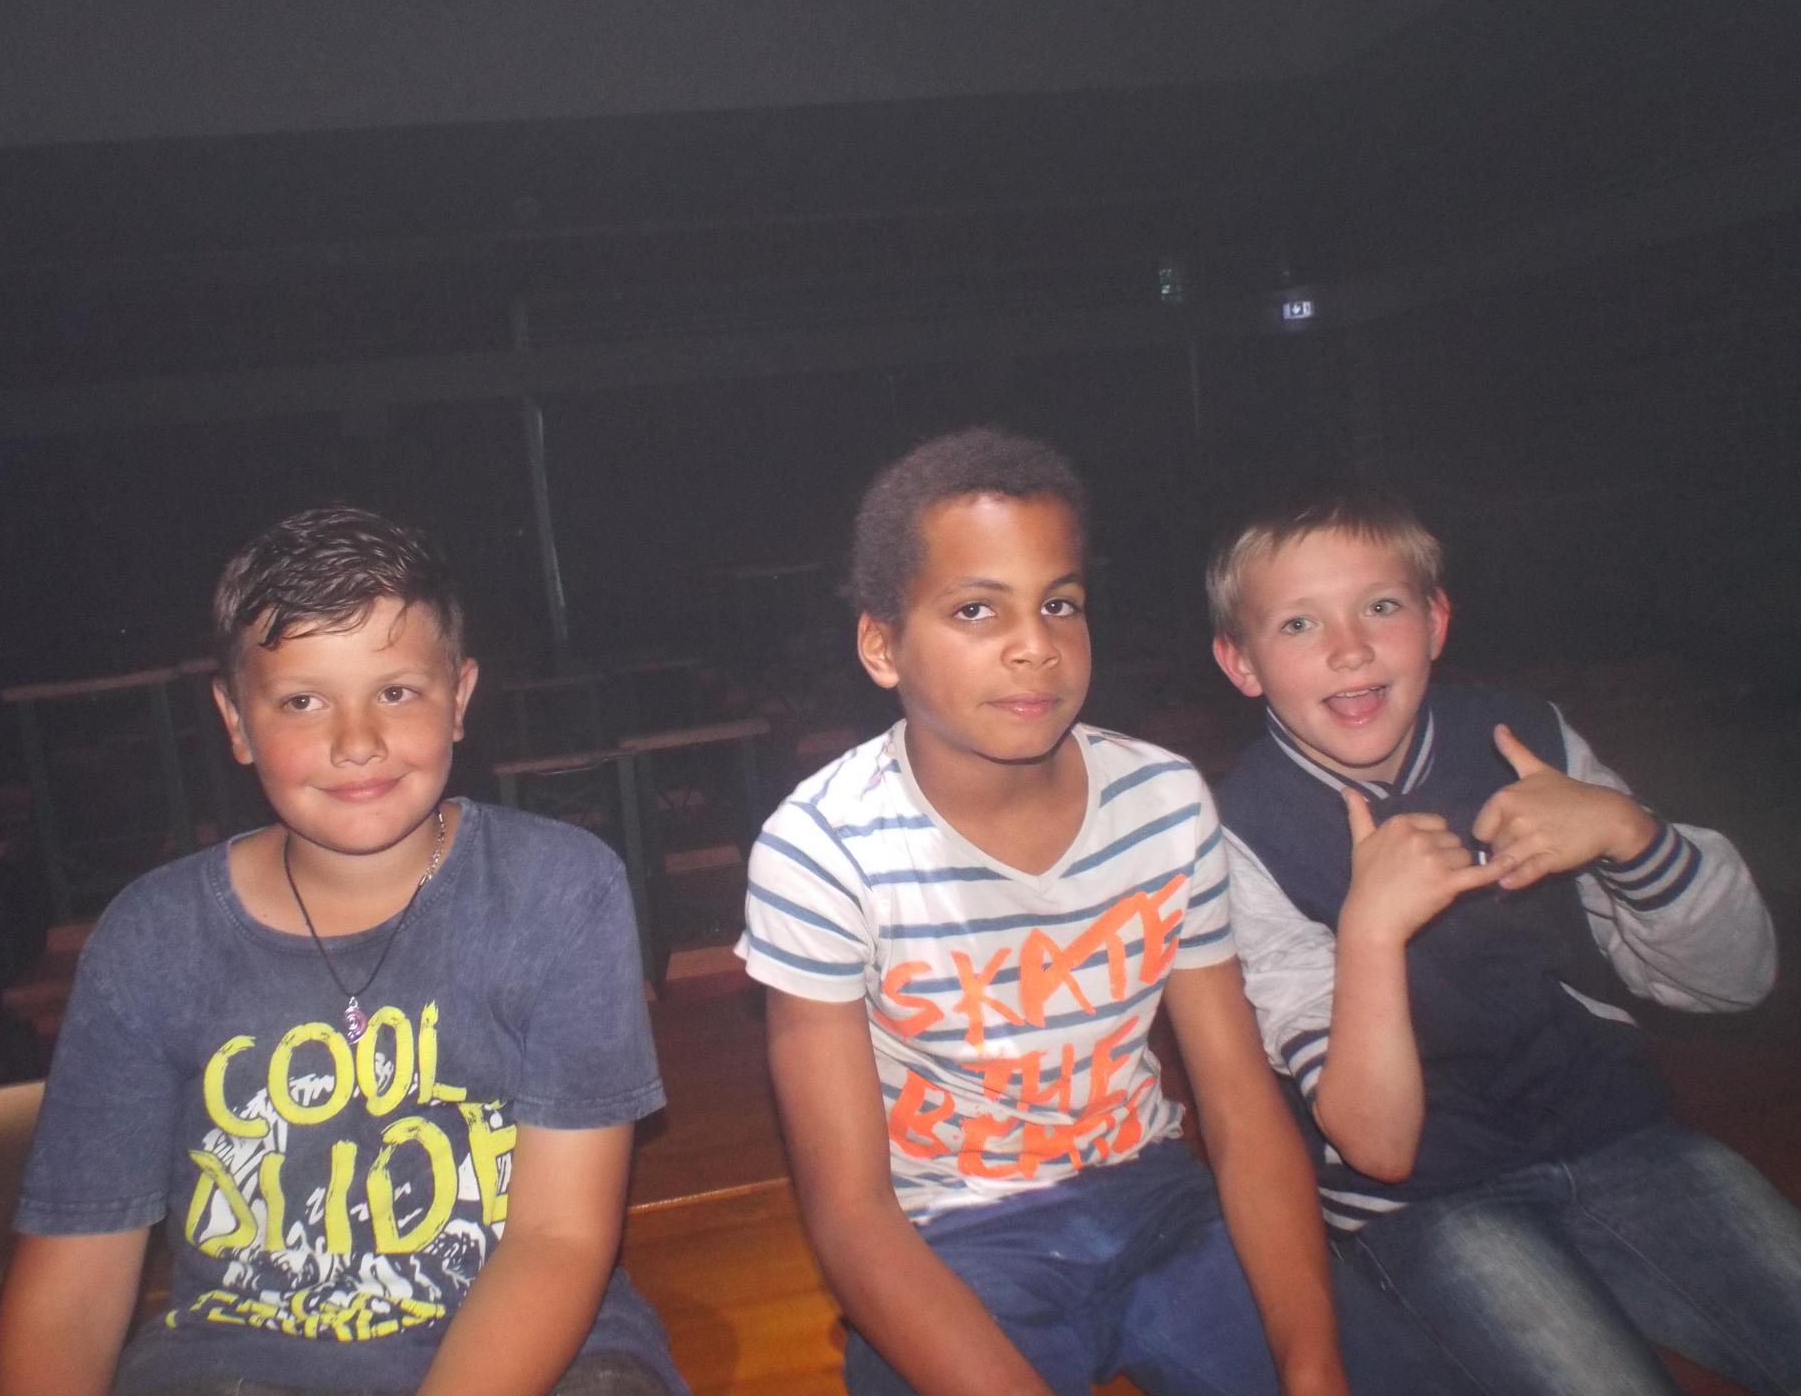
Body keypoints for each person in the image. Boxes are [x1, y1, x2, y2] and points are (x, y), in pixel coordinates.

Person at [739, 428, 1462, 1396]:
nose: (1034, 645)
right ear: (882, 644)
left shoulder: (1161, 801)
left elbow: (1240, 1106)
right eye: (975, 609)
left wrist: (1312, 1362)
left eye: (1060, 604)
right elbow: (850, 1212)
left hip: (1159, 1202)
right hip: (952, 1239)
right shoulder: (822, 849)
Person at [0, 506, 686, 1396]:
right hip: (238, 1361)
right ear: (235, 720)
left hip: (539, 1351)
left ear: (459, 699)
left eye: (396, 692)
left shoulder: (558, 890)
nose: (357, 742)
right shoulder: (151, 941)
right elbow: (72, 1287)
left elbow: (558, 1238)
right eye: (302, 702)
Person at [1207, 486, 1801, 1396]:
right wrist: (1371, 929)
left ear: (1436, 622)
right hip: (1425, 1200)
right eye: (1298, 624)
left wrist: (1632, 835)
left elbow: (1735, 982)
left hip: (1620, 1131)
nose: (1350, 648)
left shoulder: (1526, 738)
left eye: (1381, 606)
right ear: (1241, 664)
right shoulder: (1235, 829)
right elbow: (1378, 1148)